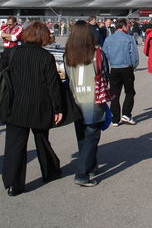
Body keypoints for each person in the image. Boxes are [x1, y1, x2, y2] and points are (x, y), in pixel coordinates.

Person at [0, 21, 63, 196]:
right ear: (43, 37)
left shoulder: (12, 53)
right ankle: (50, 171)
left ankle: (13, 184)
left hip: (16, 105)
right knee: (42, 140)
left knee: (14, 145)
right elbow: (53, 85)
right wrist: (58, 108)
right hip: (40, 105)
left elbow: (1, 75)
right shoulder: (46, 57)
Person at [64, 21, 107, 187]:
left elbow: (67, 76)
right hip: (93, 99)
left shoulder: (68, 54)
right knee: (92, 136)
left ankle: (91, 165)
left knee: (82, 135)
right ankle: (82, 173)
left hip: (76, 98)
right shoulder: (97, 53)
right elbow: (104, 74)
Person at [102, 18, 139, 126]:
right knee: (130, 92)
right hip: (126, 67)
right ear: (123, 26)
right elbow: (134, 55)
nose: (129, 27)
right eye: (128, 25)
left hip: (114, 68)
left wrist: (108, 67)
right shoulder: (129, 38)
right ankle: (126, 114)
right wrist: (133, 66)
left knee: (114, 94)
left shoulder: (109, 39)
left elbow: (105, 54)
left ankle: (115, 118)